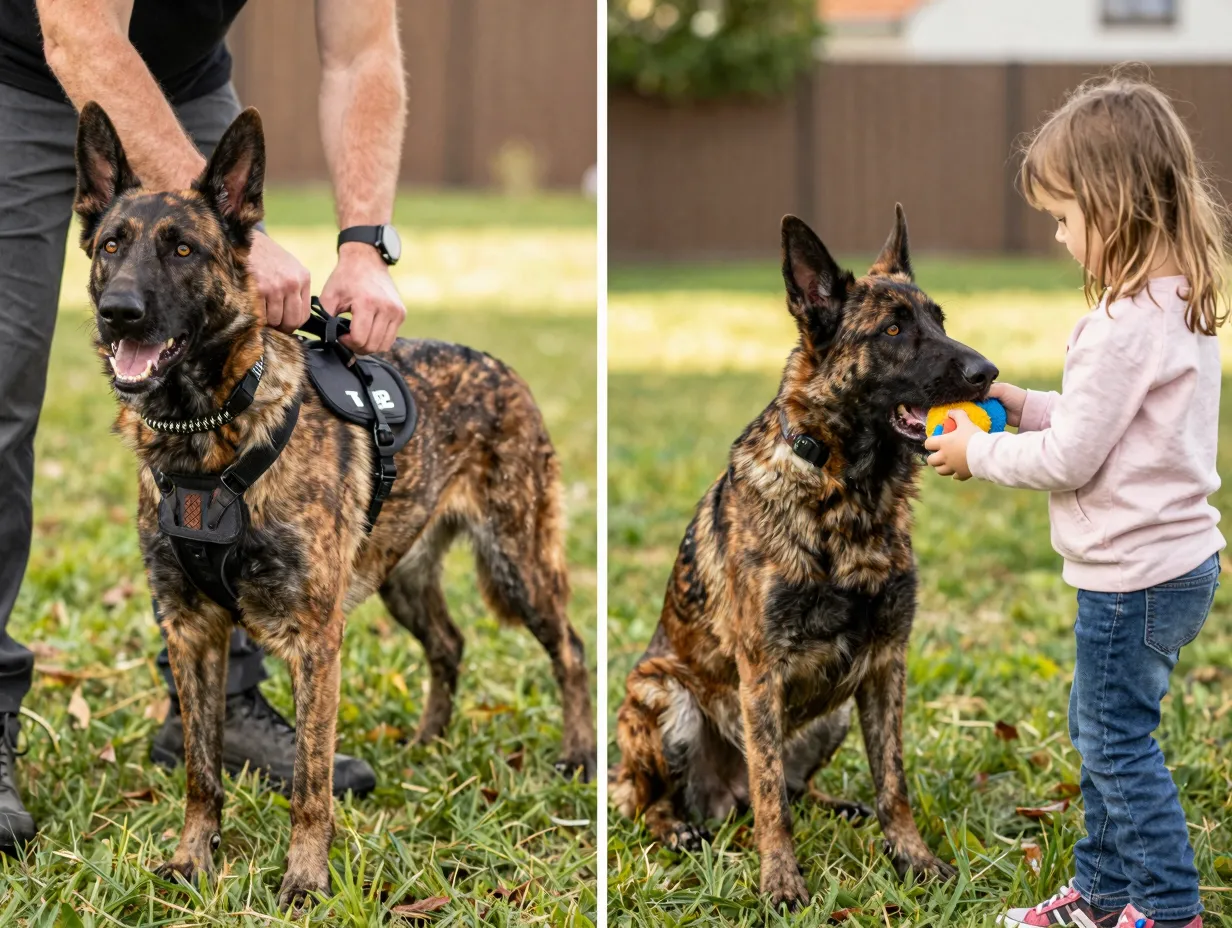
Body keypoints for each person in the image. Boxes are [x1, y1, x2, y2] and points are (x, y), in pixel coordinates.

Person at [0, 0, 410, 852]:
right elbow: (78, 31)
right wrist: (215, 232)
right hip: (19, 77)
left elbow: (361, 52)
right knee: (0, 391)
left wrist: (363, 244)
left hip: (184, 86)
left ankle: (220, 700)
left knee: (242, 373)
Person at [926, 75, 1224, 928]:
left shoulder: (1119, 326)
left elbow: (1073, 458)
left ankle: (1167, 911)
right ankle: (1100, 897)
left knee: (1117, 746)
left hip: (1128, 580)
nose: (1059, 237)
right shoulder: (1180, 305)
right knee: (1104, 733)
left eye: (1063, 217)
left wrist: (979, 450)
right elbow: (1114, 429)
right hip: (1176, 566)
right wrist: (1021, 401)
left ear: (1114, 205)